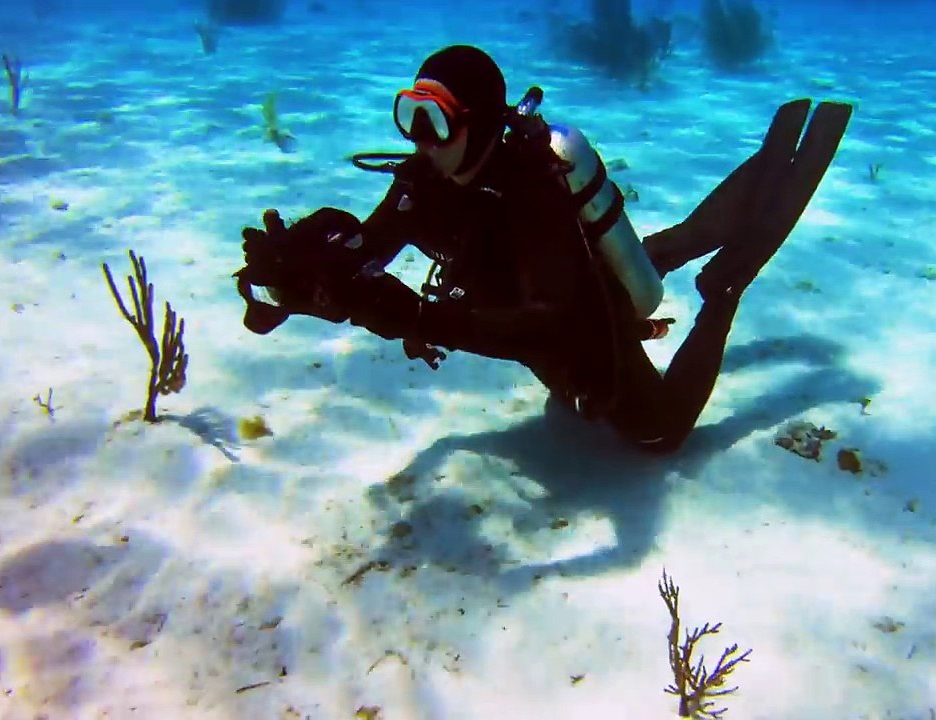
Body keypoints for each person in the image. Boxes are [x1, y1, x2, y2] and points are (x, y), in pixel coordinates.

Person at [235, 44, 851, 454]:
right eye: (410, 116)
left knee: (657, 434)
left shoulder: (532, 196)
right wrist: (308, 272)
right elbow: (371, 246)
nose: (421, 140)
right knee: (609, 272)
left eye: (437, 121)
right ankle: (690, 236)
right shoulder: (426, 180)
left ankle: (724, 288)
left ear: (476, 122)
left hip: (575, 321)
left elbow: (550, 328)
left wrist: (422, 318)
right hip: (544, 290)